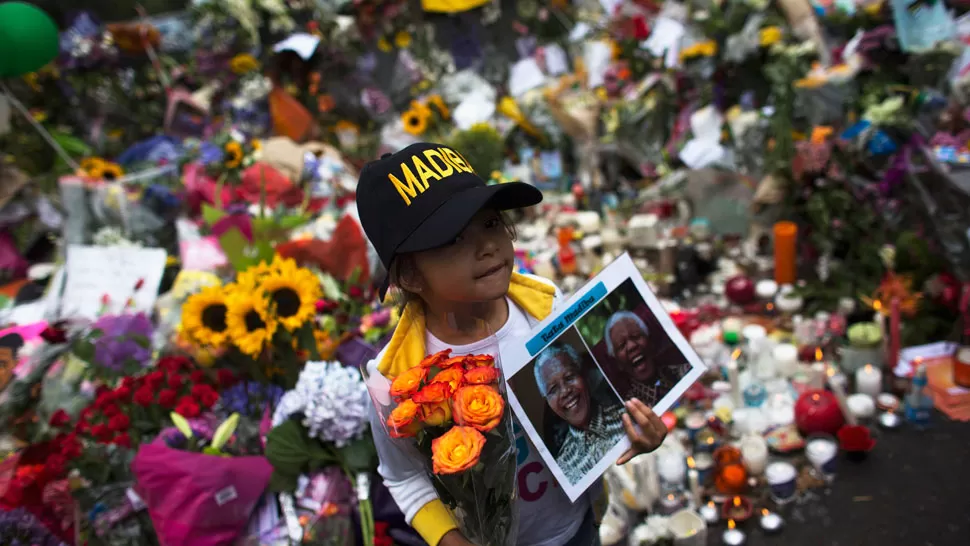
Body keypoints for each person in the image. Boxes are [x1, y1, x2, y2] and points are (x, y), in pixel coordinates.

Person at [357, 143, 668, 546]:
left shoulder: (547, 307)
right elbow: (403, 475)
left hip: (578, 529)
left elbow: (599, 400)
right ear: (410, 276)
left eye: (490, 224)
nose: (487, 246)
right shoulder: (397, 378)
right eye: (453, 238)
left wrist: (634, 432)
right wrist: (450, 540)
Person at [534, 344, 627, 485]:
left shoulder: (627, 416)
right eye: (553, 389)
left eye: (570, 377)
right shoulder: (563, 468)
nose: (565, 391)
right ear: (548, 401)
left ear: (583, 376)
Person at [605, 310, 690, 406]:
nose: (631, 346)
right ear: (618, 363)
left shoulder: (685, 372)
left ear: (650, 343)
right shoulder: (631, 408)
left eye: (636, 336)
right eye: (621, 345)